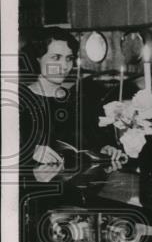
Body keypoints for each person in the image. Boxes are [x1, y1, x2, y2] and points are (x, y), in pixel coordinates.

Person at [20, 26, 125, 171]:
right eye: (56, 58)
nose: (64, 66)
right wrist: (31, 151)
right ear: (37, 58)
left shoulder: (81, 101)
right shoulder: (20, 102)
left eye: (69, 59)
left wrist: (106, 149)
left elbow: (95, 141)